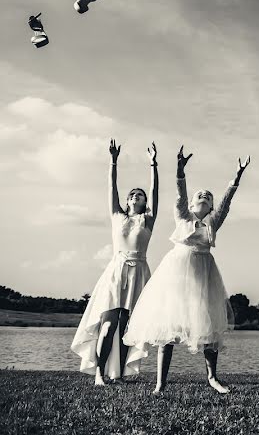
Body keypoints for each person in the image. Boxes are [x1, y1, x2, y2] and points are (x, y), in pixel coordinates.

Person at [123, 146, 249, 395]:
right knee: (168, 328)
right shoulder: (182, 216)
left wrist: (237, 175)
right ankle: (160, 383)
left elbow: (227, 201)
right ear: (193, 202)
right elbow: (180, 196)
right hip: (177, 273)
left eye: (208, 196)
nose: (204, 195)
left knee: (209, 326)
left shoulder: (214, 221)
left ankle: (213, 378)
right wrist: (180, 171)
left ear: (211, 206)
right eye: (200, 194)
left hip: (204, 273)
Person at [71, 140, 158, 385]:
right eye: (132, 194)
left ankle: (117, 374)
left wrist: (153, 163)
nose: (135, 196)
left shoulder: (148, 220)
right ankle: (99, 373)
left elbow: (155, 192)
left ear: (143, 202)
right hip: (116, 270)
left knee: (126, 327)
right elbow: (112, 187)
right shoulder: (117, 216)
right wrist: (113, 160)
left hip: (139, 272)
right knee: (108, 326)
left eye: (139, 195)